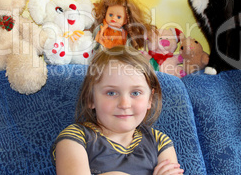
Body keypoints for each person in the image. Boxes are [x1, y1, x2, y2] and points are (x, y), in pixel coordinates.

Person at [52, 46, 184, 175]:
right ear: (90, 99)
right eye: (111, 93)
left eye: (136, 93)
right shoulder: (76, 138)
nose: (124, 104)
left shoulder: (159, 142)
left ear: (150, 99)